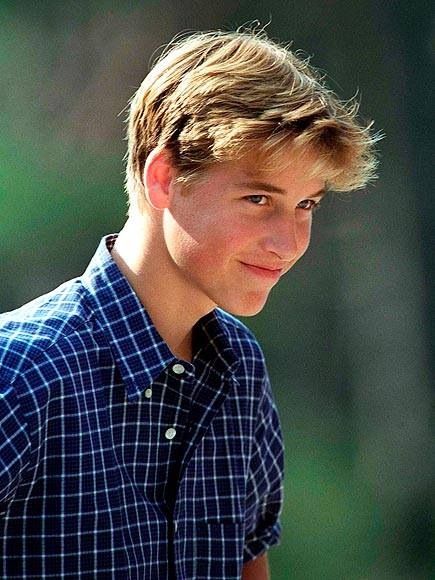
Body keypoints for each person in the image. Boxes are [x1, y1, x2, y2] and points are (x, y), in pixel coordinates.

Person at [0, 28, 378, 579]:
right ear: (164, 178)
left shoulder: (241, 370)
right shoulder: (22, 373)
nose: (289, 242)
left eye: (305, 205)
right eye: (258, 199)